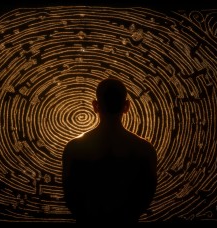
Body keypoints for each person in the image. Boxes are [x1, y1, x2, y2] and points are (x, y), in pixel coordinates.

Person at [62, 78, 158, 225]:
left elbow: (71, 198)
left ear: (95, 106)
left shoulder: (74, 148)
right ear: (126, 106)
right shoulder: (144, 149)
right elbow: (145, 197)